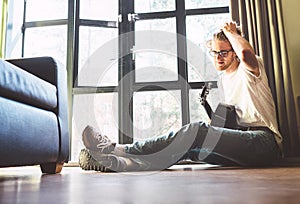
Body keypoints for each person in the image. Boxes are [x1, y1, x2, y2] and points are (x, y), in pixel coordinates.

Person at [79, 22, 282, 172]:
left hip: (264, 143)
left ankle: (119, 149)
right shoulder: (224, 80)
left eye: (224, 53)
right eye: (214, 52)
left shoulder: (251, 67)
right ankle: (123, 164)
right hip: (245, 144)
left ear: (234, 53)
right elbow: (234, 124)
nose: (218, 57)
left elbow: (246, 53)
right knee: (189, 149)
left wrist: (231, 32)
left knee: (196, 131)